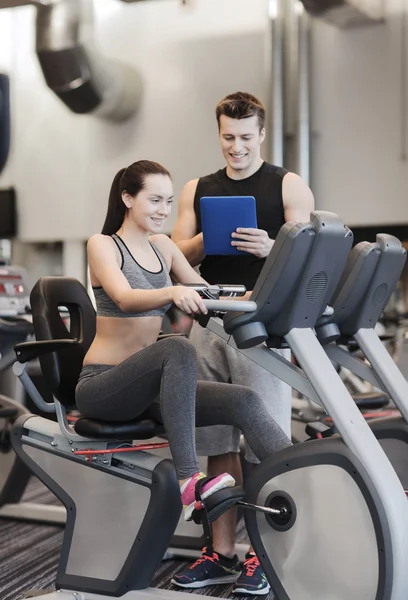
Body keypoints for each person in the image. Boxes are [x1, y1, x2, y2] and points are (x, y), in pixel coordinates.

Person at [75, 159, 292, 524]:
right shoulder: (103, 245)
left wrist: (268, 295)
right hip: (105, 386)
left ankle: (304, 475)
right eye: (154, 200)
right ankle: (189, 480)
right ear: (128, 198)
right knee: (177, 345)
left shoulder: (163, 247)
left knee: (245, 400)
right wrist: (172, 291)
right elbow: (125, 297)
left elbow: (209, 296)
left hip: (155, 391)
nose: (164, 211)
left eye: (169, 202)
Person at [171, 92, 315, 594]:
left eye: (246, 138)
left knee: (264, 443)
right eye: (228, 138)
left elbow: (310, 257)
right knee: (215, 443)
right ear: (219, 134)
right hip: (210, 320)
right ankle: (222, 551)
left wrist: (272, 246)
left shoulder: (288, 184)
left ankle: (265, 555)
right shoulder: (198, 188)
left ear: (262, 134)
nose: (236, 147)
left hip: (262, 323)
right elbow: (175, 251)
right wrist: (207, 240)